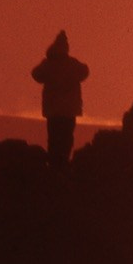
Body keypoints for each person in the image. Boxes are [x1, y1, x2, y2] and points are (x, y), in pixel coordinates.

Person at [32, 31, 88, 167]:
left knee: (54, 138)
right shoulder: (72, 64)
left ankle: (54, 164)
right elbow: (85, 71)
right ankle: (62, 164)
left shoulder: (49, 64)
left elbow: (36, 74)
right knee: (67, 138)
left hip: (53, 111)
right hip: (69, 111)